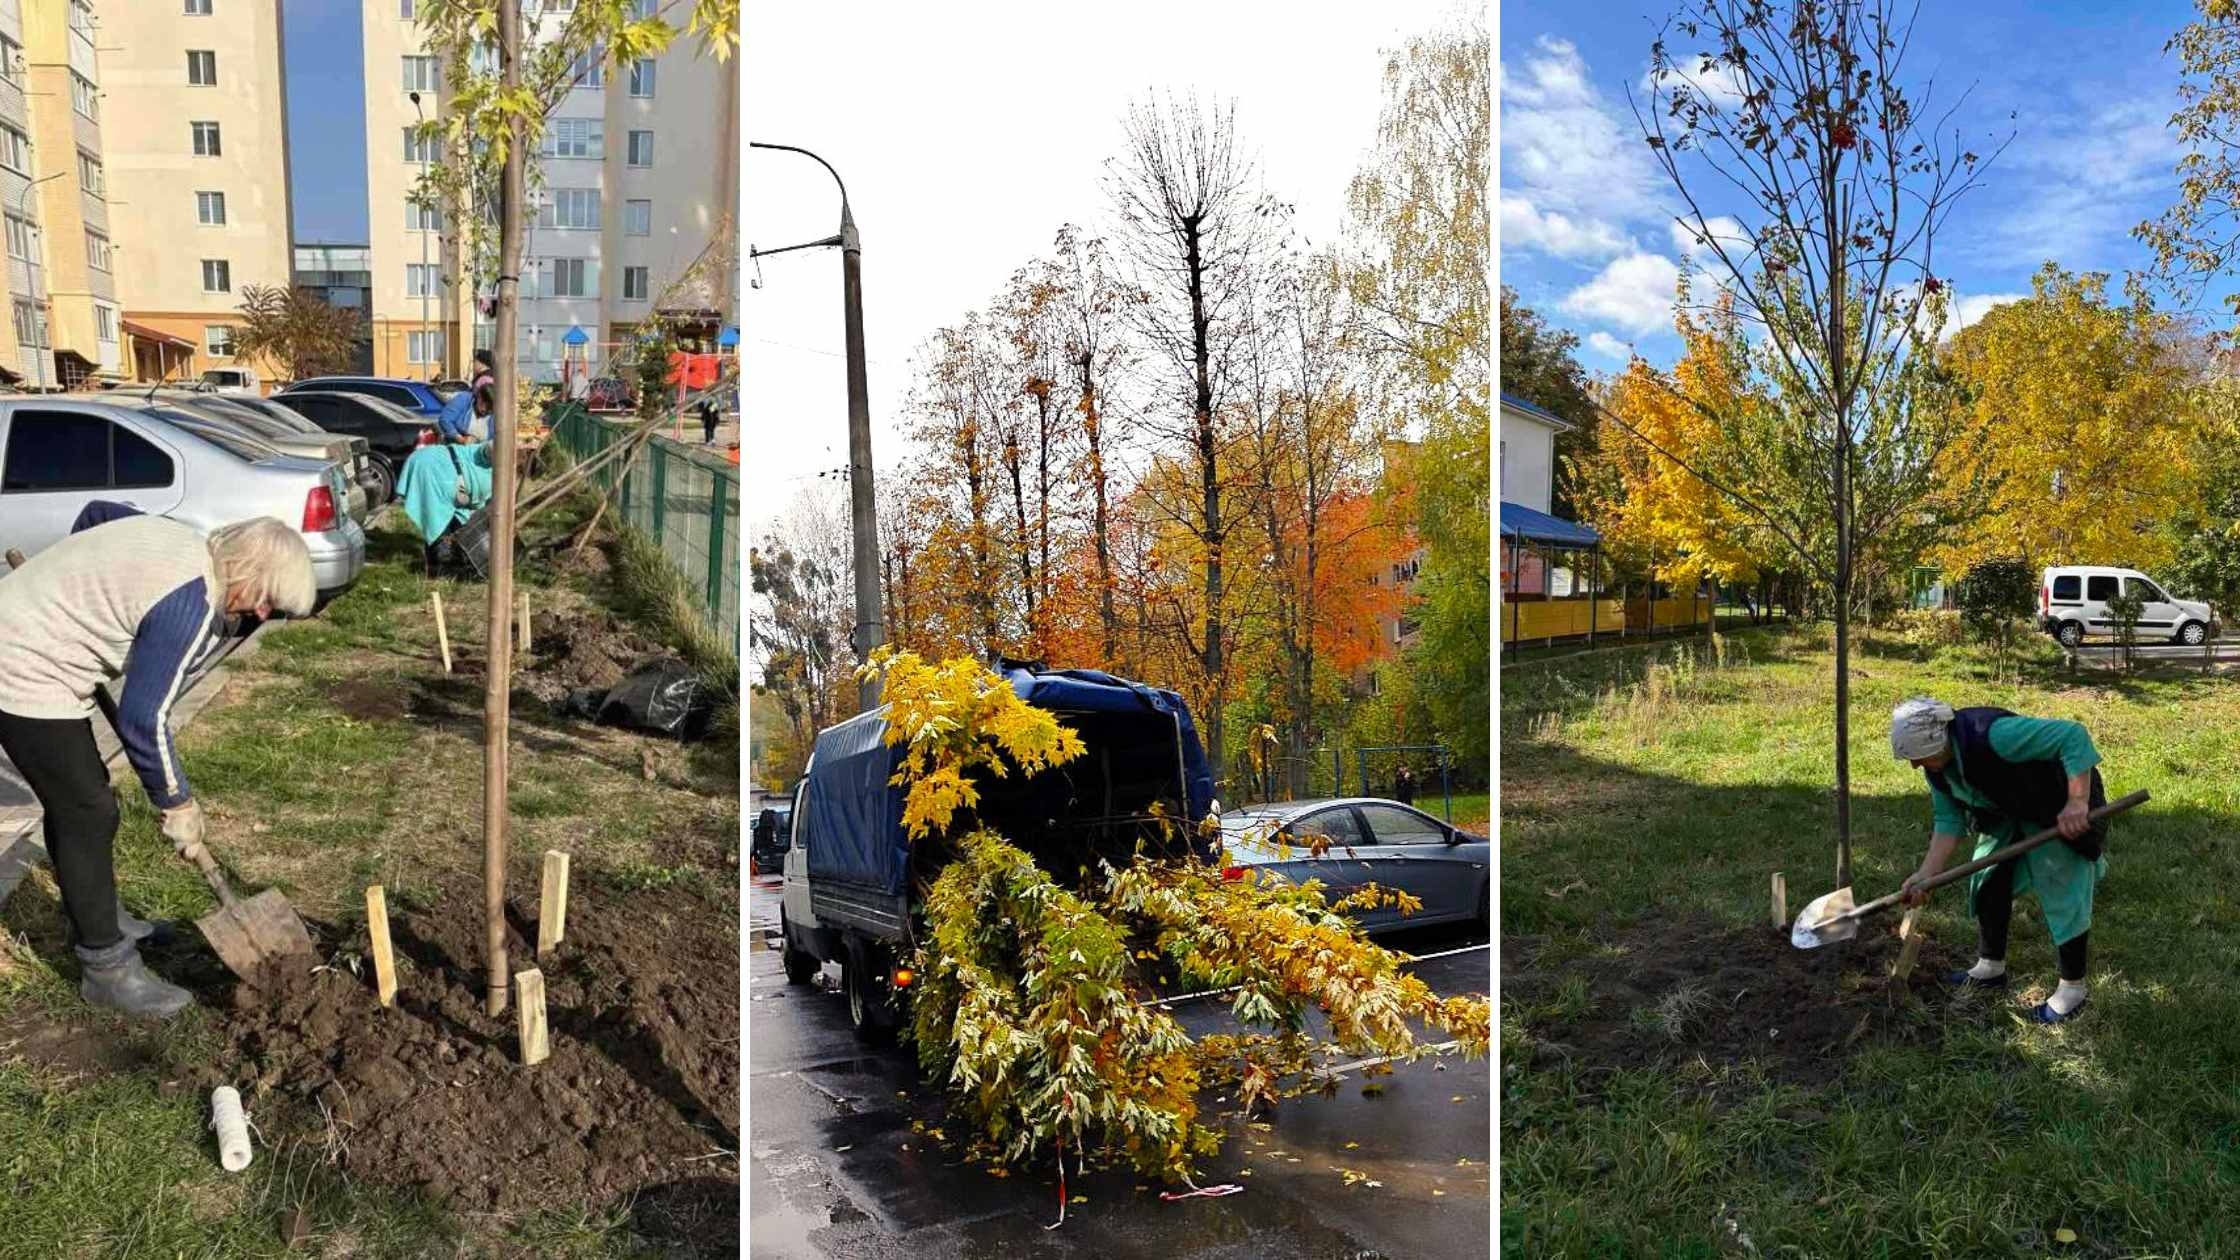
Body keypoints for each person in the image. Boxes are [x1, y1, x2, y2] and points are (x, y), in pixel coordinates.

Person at [0, 511, 315, 1018]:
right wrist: (179, 803)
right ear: (249, 569)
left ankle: (100, 914)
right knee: (86, 809)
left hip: (25, 633)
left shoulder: (182, 539)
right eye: (265, 598)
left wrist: (89, 590)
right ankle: (106, 967)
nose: (259, 613)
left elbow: (97, 514)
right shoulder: (191, 604)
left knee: (84, 798)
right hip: (22, 665)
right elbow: (144, 721)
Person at [1892, 697, 2110, 1024]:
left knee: (2062, 888)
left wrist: (2077, 802)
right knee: (1988, 881)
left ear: (1941, 740)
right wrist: (1926, 874)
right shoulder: (1938, 769)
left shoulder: (1994, 735)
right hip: (2006, 811)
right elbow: (1948, 821)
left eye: (1920, 757)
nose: (1915, 766)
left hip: (2055, 804)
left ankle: (2072, 989)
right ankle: (1990, 968)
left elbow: (2072, 736)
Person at [398, 393, 494, 577]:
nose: (486, 412)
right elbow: (445, 421)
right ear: (480, 399)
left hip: (452, 466)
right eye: (485, 407)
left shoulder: (487, 470)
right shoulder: (463, 401)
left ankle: (449, 556)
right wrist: (460, 438)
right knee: (438, 518)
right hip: (436, 467)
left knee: (456, 520)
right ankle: (439, 566)